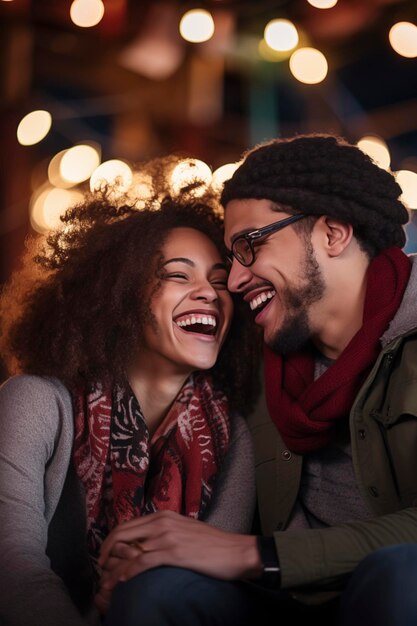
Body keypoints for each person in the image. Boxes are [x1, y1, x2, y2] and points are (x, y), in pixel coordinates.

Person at [97, 133, 417, 626]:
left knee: (402, 576)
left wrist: (257, 553)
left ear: (333, 233)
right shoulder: (249, 352)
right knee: (157, 590)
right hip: (288, 600)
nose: (237, 279)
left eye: (251, 245)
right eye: (232, 261)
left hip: (385, 592)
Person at [0, 161, 262, 626]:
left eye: (219, 280)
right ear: (118, 296)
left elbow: (202, 593)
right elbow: (12, 570)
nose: (209, 292)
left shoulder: (233, 437)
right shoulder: (34, 404)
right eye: (179, 275)